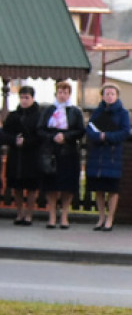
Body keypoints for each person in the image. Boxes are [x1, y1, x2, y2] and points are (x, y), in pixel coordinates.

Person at [38, 80, 85, 229]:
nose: (62, 95)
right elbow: (40, 129)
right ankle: (52, 216)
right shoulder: (48, 110)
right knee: (51, 185)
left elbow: (80, 130)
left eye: (65, 92)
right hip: (51, 152)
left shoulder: (75, 111)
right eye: (60, 92)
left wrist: (66, 137)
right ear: (56, 93)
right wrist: (52, 137)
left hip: (69, 152)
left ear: (69, 94)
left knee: (67, 185)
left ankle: (64, 216)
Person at [84, 83, 132, 231]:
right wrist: (99, 136)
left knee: (112, 189)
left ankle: (110, 219)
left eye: (112, 94)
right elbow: (90, 129)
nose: (109, 96)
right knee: (98, 189)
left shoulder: (123, 113)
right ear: (102, 96)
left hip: (113, 155)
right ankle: (101, 217)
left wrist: (108, 136)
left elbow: (125, 132)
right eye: (107, 94)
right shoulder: (97, 112)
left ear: (117, 96)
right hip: (97, 155)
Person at [1, 86, 42, 225]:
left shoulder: (38, 115)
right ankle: (19, 213)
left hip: (31, 155)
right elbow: (4, 134)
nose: (24, 101)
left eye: (27, 98)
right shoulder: (13, 115)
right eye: (22, 98)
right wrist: (14, 140)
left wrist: (27, 142)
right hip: (16, 155)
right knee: (16, 185)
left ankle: (29, 214)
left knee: (31, 186)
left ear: (32, 98)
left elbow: (40, 136)